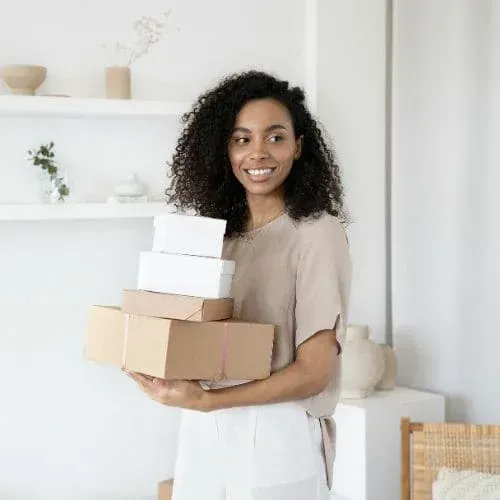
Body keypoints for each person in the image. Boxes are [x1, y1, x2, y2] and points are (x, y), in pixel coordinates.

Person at [127, 70, 352, 500]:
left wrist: (206, 401)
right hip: (202, 427)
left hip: (275, 429)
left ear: (299, 146)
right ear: (225, 150)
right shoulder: (220, 237)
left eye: (275, 137)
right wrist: (152, 364)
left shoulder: (317, 233)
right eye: (241, 139)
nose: (258, 153)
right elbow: (198, 340)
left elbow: (313, 373)